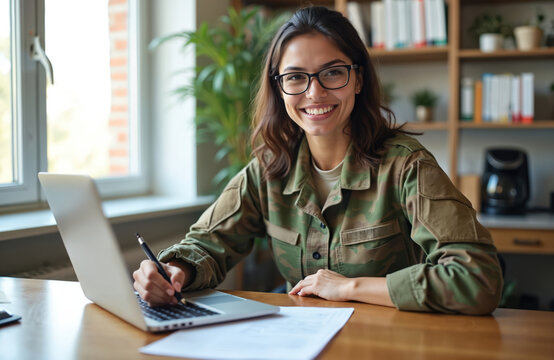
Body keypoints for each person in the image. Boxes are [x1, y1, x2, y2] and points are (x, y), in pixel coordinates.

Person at [133, 6, 503, 314]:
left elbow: (478, 277)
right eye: (296, 77)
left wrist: (351, 287)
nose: (315, 92)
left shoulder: (406, 166)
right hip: (303, 340)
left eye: (332, 73)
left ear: (358, 79)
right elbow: (207, 244)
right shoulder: (268, 169)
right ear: (280, 88)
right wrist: (173, 271)